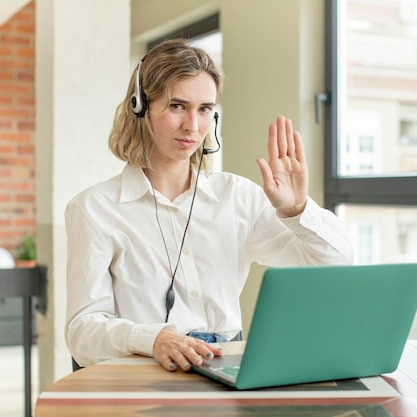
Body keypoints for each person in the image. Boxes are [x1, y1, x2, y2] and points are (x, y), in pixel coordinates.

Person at [65, 38, 353, 372]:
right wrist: (151, 339)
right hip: (144, 371)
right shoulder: (94, 208)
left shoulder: (238, 197)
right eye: (177, 106)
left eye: (205, 109)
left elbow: (337, 261)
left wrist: (296, 209)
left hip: (228, 367)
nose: (193, 126)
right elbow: (82, 334)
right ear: (140, 106)